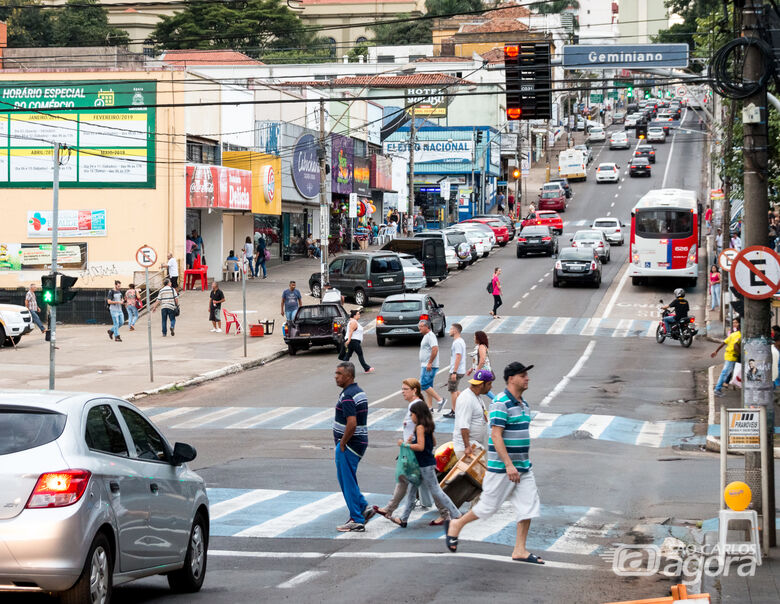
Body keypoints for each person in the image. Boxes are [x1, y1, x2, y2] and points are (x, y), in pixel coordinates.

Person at [445, 362, 544, 565]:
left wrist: (519, 463)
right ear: (511, 379)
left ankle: (520, 550)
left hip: (523, 467)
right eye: (523, 375)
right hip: (502, 468)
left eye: (527, 375)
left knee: (529, 506)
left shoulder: (524, 404)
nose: (527, 378)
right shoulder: (500, 403)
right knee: (487, 508)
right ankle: (457, 524)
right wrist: (508, 464)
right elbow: (496, 435)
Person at [374, 378, 451, 525]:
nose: (402, 392)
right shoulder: (414, 405)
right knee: (413, 482)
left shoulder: (416, 406)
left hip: (416, 453)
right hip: (412, 452)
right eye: (402, 389)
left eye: (405, 389)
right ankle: (392, 511)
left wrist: (409, 445)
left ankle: (449, 513)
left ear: (414, 390)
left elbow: (425, 426)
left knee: (427, 485)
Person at [387, 401, 462, 528]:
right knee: (411, 492)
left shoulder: (420, 427)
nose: (411, 417)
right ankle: (403, 519)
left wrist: (405, 444)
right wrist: (414, 440)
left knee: (437, 491)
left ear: (418, 414)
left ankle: (456, 514)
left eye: (412, 414)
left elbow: (421, 447)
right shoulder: (428, 426)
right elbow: (433, 443)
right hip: (422, 464)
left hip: (424, 465)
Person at [332, 362, 373, 532]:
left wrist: (342, 443)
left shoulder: (348, 395)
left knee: (346, 482)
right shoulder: (359, 392)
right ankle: (363, 507)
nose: (336, 376)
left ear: (349, 376)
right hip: (358, 442)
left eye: (339, 373)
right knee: (350, 479)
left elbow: (352, 423)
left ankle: (356, 519)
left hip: (349, 445)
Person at [454, 369, 493, 459]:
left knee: (482, 473)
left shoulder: (476, 396)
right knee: (480, 473)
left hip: (475, 446)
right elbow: (464, 425)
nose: (491, 387)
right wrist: (467, 446)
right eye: (489, 384)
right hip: (469, 449)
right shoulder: (466, 399)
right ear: (481, 384)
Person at [441, 322, 467, 418]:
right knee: (455, 390)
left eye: (451, 329)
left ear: (455, 331)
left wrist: (454, 372)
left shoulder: (457, 342)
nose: (449, 331)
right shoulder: (459, 341)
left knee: (452, 390)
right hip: (459, 370)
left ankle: (454, 411)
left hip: (457, 370)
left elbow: (458, 357)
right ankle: (466, 402)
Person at [712, 317, 742, 397]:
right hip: (732, 356)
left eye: (736, 322)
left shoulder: (734, 334)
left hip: (729, 355)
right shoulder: (738, 335)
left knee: (726, 373)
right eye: (734, 322)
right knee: (725, 373)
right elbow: (735, 345)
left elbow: (724, 342)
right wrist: (741, 354)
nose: (734, 324)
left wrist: (716, 351)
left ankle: (719, 387)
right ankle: (717, 389)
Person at [419, 320, 444, 411]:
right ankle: (429, 407)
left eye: (421, 326)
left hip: (429, 365)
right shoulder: (426, 336)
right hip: (426, 364)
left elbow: (435, 349)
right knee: (428, 386)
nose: (419, 328)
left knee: (423, 384)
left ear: (427, 327)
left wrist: (430, 362)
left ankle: (440, 400)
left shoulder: (430, 336)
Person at [341, 309, 375, 373]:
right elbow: (350, 331)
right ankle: (367, 368)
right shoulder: (353, 322)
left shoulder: (353, 321)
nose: (359, 315)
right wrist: (348, 340)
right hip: (354, 341)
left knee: (348, 355)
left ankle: (343, 369)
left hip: (352, 341)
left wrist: (348, 340)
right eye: (358, 314)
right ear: (354, 316)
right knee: (360, 354)